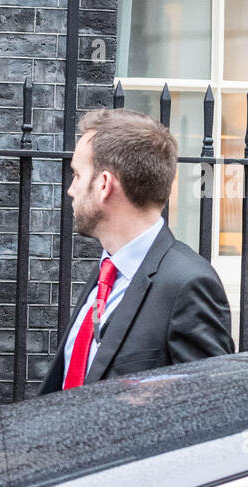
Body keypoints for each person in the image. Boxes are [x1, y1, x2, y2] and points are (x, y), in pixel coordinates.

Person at [39, 107, 234, 394]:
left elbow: (211, 409)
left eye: (78, 175)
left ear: (104, 184)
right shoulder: (108, 270)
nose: (71, 189)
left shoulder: (188, 284)